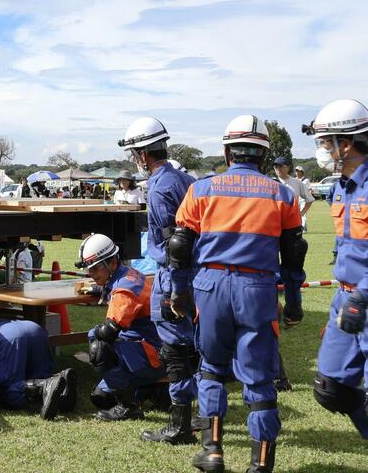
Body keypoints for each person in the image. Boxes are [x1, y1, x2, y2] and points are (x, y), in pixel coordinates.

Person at [173, 115, 304, 473]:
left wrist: (177, 291)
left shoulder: (200, 189)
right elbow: (293, 257)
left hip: (211, 286)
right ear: (263, 155)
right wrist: (293, 304)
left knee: (212, 369)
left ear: (228, 152)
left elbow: (180, 247)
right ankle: (260, 465)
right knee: (259, 377)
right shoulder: (283, 194)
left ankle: (212, 451)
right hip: (257, 289)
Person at [118, 117, 197, 445]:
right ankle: (196, 414)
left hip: (173, 274)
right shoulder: (184, 179)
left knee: (176, 348)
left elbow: (172, 241)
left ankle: (181, 424)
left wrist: (175, 287)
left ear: (142, 154)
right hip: (193, 273)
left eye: (135, 153)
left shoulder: (161, 187)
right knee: (192, 345)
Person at [304, 99, 368, 438]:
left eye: (325, 143)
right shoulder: (341, 188)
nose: (322, 151)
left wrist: (362, 296)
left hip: (365, 300)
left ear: (346, 144)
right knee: (331, 388)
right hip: (346, 302)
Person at [78, 234, 167, 421]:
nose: (90, 274)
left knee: (99, 347)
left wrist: (92, 334)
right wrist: (99, 289)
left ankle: (129, 407)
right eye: (89, 269)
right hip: (150, 349)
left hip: (152, 354)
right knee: (100, 397)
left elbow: (109, 332)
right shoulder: (127, 274)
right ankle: (151, 390)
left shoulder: (125, 289)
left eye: (94, 269)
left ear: (111, 263)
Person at [0, 317, 76, 420]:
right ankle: (61, 389)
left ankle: (43, 386)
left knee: (4, 391)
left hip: (10, 336)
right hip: (35, 329)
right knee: (43, 377)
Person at [273, 156, 314, 231]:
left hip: (293, 223)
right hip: (275, 221)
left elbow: (310, 199)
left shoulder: (297, 183)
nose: (278, 169)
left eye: (281, 166)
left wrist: (301, 213)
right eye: (276, 167)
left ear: (288, 168)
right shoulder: (270, 182)